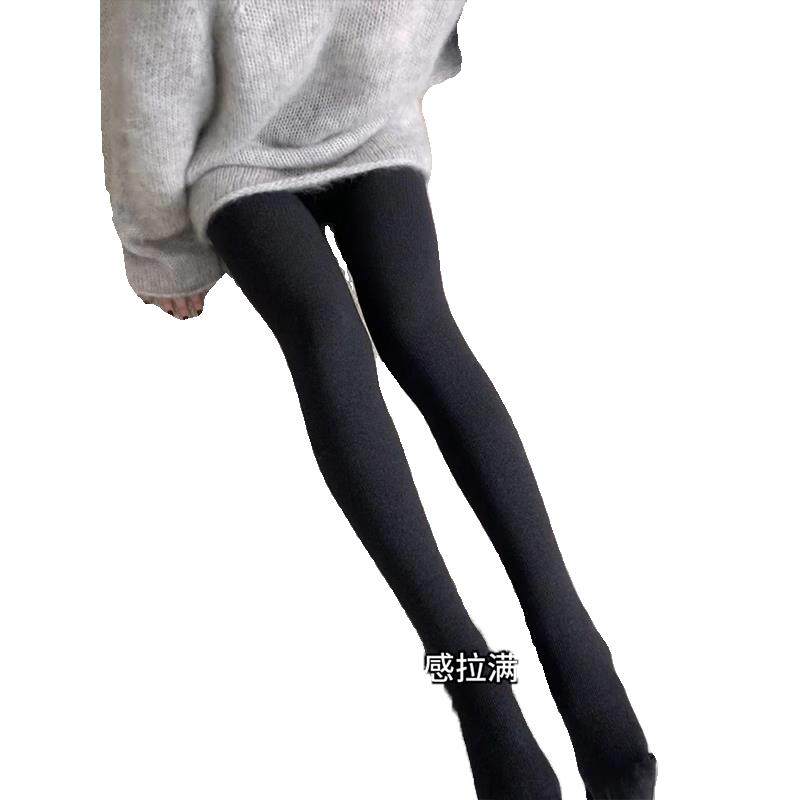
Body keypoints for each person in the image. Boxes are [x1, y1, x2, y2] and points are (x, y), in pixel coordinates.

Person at [100, 2, 656, 797]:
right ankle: (485, 677)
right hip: (255, 151)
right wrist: (163, 245)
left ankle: (558, 648)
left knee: (402, 329)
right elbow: (148, 77)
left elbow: (146, 80)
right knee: (347, 332)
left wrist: (401, 70)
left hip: (357, 125)